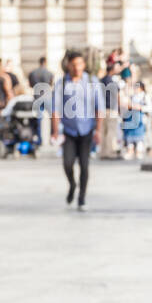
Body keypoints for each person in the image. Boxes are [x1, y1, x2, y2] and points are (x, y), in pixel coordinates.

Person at [49, 49, 103, 211]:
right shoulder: (62, 83)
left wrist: (98, 130)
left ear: (84, 64)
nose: (77, 67)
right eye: (74, 64)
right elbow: (55, 109)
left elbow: (99, 108)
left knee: (85, 165)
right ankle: (72, 184)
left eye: (80, 64)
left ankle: (81, 198)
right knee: (67, 163)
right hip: (69, 131)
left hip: (87, 130)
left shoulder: (92, 82)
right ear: (68, 66)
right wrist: (55, 131)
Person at [123, 80, 148, 159]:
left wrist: (140, 107)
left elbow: (149, 108)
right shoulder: (132, 96)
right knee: (130, 136)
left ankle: (138, 152)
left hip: (140, 120)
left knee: (139, 137)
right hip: (131, 119)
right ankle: (130, 151)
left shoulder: (145, 96)